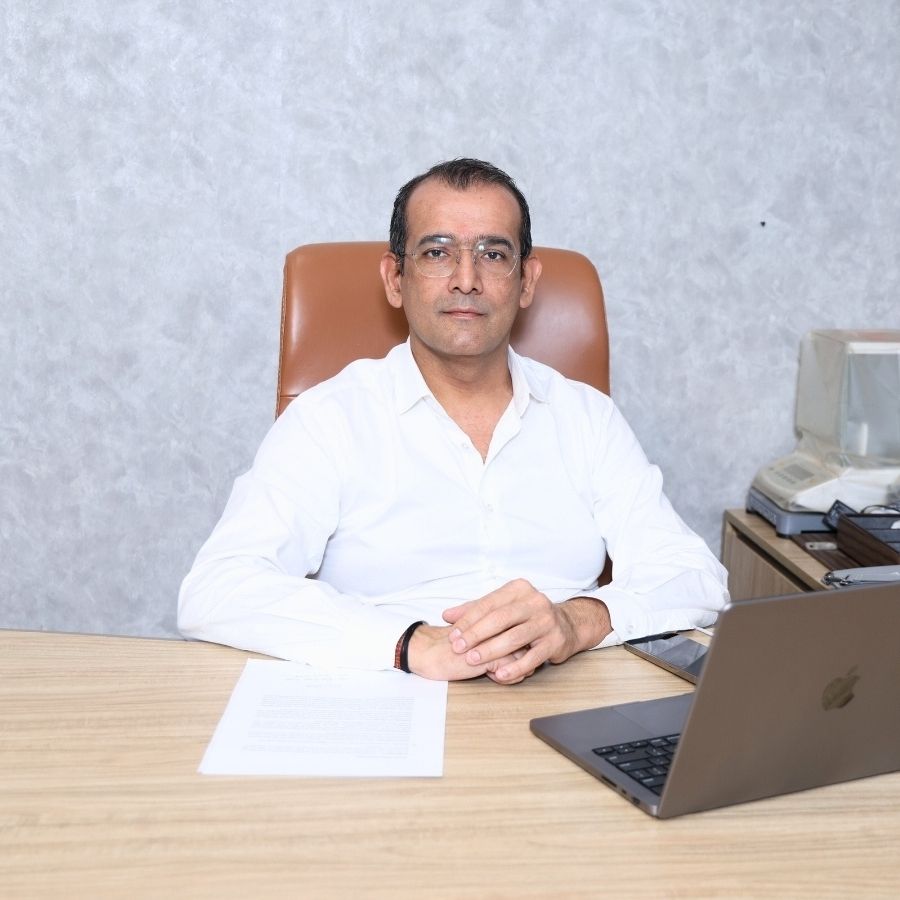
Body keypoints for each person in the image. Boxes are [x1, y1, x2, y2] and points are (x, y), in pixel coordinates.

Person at [178, 158, 728, 684]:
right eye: (437, 252)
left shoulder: (587, 418)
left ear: (527, 281)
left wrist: (575, 621)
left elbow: (696, 577)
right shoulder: (330, 419)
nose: (467, 279)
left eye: (493, 254)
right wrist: (409, 643)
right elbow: (218, 589)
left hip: (562, 697)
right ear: (395, 279)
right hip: (383, 699)